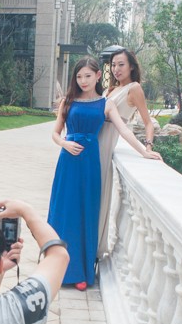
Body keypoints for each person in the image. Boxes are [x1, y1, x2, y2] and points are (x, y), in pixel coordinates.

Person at [48, 56, 162, 291]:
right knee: (64, 211)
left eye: (88, 76)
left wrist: (144, 151)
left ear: (98, 76)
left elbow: (124, 130)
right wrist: (64, 143)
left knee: (87, 213)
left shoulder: (106, 104)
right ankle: (56, 269)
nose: (83, 81)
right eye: (79, 76)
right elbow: (55, 133)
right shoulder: (68, 101)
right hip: (68, 162)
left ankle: (81, 271)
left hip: (91, 162)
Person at [97, 48, 156, 258]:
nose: (116, 69)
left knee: (99, 198)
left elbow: (148, 123)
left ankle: (95, 249)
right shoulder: (111, 89)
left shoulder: (134, 88)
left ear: (131, 66)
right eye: (113, 65)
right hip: (94, 143)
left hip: (106, 145)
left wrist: (147, 147)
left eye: (121, 64)